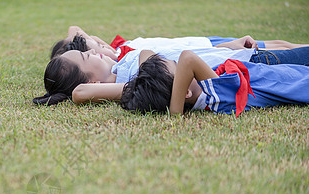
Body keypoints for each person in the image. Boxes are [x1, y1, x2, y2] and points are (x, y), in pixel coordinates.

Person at [33, 45, 309, 107]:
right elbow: (80, 93)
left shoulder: (128, 70)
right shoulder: (138, 84)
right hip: (245, 64)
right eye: (86, 56)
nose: (92, 51)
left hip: (241, 60)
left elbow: (148, 54)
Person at [120, 50, 309, 116]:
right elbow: (188, 58)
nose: (181, 65)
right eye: (180, 73)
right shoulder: (215, 98)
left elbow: (147, 53)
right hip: (299, 81)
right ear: (184, 92)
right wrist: (175, 111)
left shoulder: (209, 91)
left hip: (291, 72)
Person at [51, 26, 309, 65]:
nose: (99, 45)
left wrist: (84, 43)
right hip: (211, 50)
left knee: (282, 43)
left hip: (206, 43)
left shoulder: (118, 47)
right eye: (92, 50)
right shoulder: (123, 58)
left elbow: (75, 28)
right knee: (281, 49)